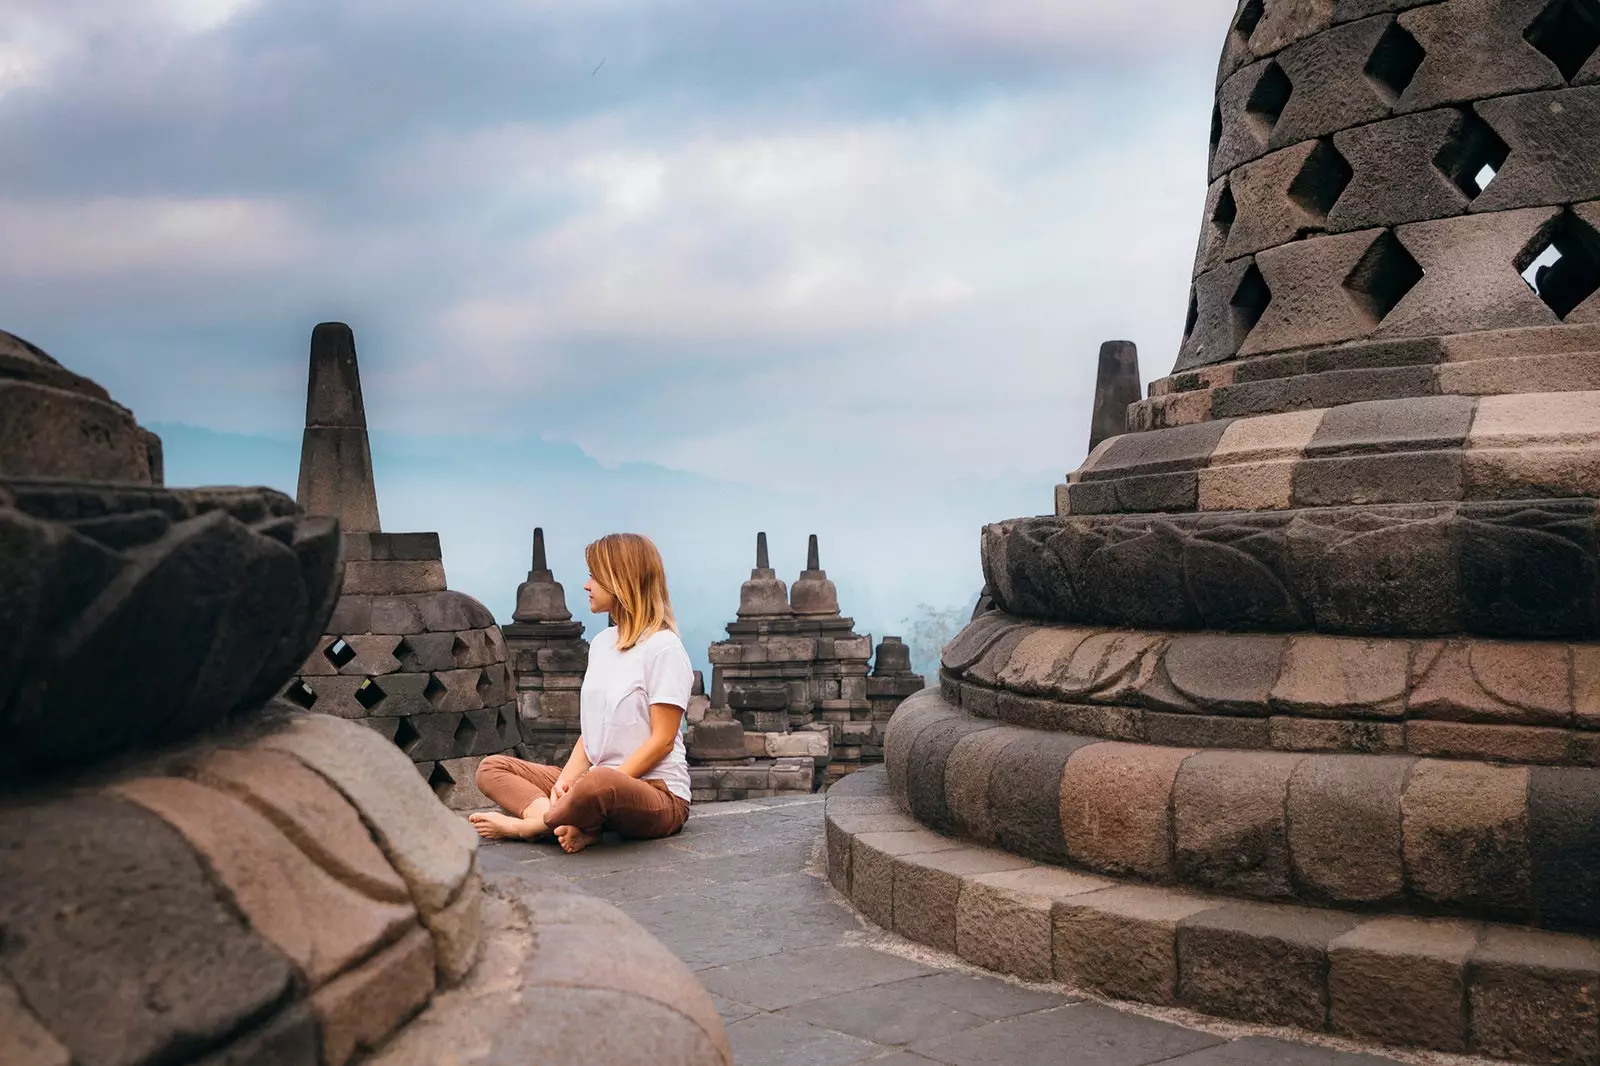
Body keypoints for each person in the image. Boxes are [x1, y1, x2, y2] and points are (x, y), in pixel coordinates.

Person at [470, 533, 693, 853]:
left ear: (621, 581)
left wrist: (590, 786)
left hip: (655, 793)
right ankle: (567, 821)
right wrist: (566, 783)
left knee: (599, 783)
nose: (587, 585)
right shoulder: (602, 644)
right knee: (492, 768)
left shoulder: (664, 648)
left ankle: (532, 826)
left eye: (595, 577)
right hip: (594, 784)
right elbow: (592, 735)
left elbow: (663, 741)